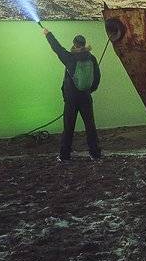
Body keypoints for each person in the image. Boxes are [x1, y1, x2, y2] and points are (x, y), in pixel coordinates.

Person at [41, 26, 101, 162]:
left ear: (74, 44)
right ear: (84, 44)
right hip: (85, 97)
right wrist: (88, 90)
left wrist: (48, 34)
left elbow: (57, 48)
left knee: (68, 127)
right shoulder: (92, 58)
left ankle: (65, 155)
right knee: (90, 126)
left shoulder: (69, 58)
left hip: (71, 99)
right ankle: (95, 153)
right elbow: (97, 78)